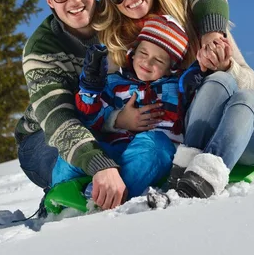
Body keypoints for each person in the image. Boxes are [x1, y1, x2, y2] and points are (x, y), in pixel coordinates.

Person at [14, 0, 233, 210]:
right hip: (44, 135)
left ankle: (113, 190)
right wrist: (102, 158)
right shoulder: (42, 48)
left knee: (153, 149)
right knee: (71, 160)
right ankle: (69, 201)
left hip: (111, 125)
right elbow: (59, 120)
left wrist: (212, 34)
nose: (74, 1)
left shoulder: (117, 8)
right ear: (49, 0)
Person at [94, 0, 254, 199]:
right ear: (111, 1)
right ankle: (195, 179)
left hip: (242, 133)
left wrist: (224, 65)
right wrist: (117, 119)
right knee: (221, 82)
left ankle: (195, 171)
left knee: (230, 87)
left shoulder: (196, 18)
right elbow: (101, 100)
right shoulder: (119, 45)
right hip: (187, 134)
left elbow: (249, 80)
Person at [50, 15, 191, 200]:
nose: (147, 63)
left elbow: (198, 109)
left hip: (152, 155)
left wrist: (198, 77)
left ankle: (107, 197)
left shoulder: (177, 87)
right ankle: (56, 196)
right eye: (144, 53)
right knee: (75, 153)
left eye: (159, 60)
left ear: (170, 68)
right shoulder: (115, 83)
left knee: (156, 145)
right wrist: (90, 89)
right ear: (133, 52)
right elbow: (92, 119)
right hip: (116, 151)